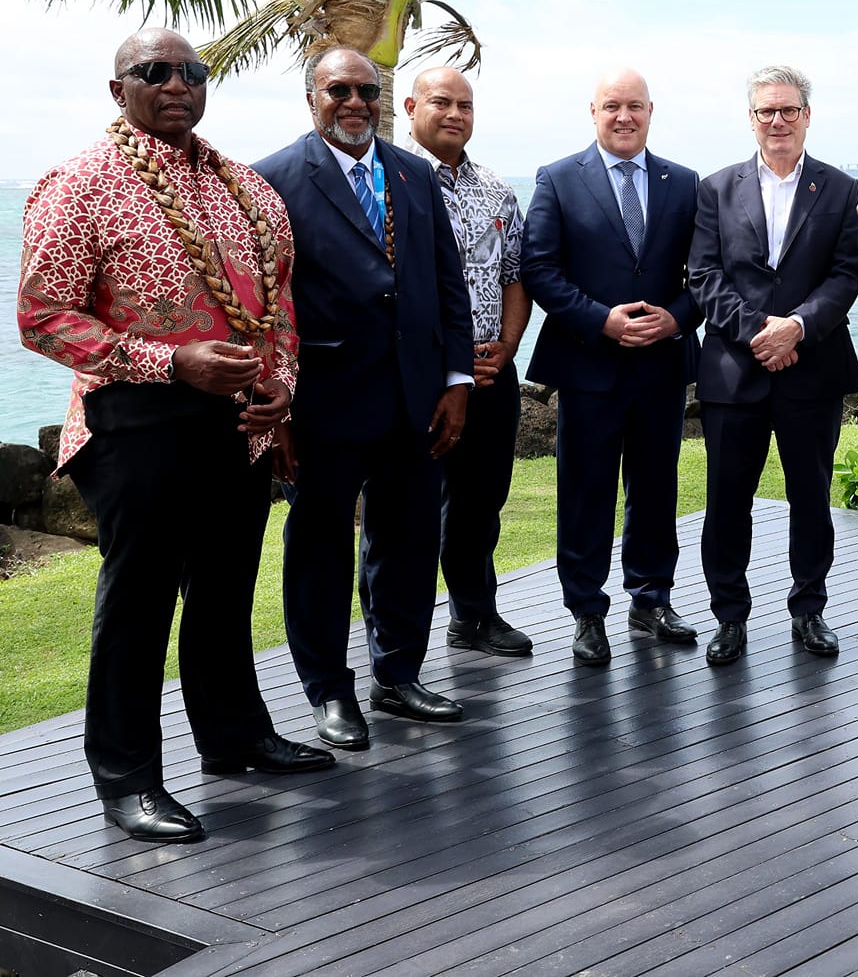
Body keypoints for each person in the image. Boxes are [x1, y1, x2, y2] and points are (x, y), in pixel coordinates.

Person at [18, 29, 332, 842]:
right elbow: (42, 317)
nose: (176, 85)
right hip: (136, 419)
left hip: (239, 423)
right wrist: (169, 361)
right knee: (140, 602)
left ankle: (234, 738)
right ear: (116, 87)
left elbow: (282, 309)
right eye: (153, 72)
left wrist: (281, 391)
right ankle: (126, 778)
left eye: (192, 72)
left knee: (226, 590)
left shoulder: (250, 192)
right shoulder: (79, 185)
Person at [255, 47, 474, 750]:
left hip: (415, 396)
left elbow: (447, 283)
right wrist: (278, 408)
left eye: (367, 91)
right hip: (324, 403)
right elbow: (265, 304)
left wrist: (457, 382)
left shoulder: (410, 171)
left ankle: (398, 673)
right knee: (318, 547)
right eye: (338, 90)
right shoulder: (274, 179)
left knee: (410, 538)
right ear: (311, 97)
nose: (355, 102)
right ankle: (327, 690)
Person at [522, 69, 701, 667]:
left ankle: (651, 599)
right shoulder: (557, 179)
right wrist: (603, 320)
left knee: (655, 488)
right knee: (585, 491)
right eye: (611, 107)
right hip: (588, 364)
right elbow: (540, 269)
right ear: (592, 111)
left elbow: (704, 273)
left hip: (661, 365)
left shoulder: (684, 183)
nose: (623, 117)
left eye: (634, 107)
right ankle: (586, 611)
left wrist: (675, 320)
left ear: (652, 111)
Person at [689, 66, 858, 666]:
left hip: (811, 370)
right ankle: (729, 617)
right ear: (751, 118)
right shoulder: (714, 188)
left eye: (789, 110)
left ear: (807, 115)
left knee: (810, 498)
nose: (778, 121)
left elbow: (847, 274)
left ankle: (809, 610)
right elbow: (704, 276)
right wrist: (761, 332)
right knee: (727, 500)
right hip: (734, 374)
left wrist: (799, 327)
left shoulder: (840, 190)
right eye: (767, 111)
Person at [401, 67, 534, 658]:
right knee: (405, 510)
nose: (455, 114)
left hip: (490, 373)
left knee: (482, 502)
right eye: (441, 102)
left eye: (465, 104)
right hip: (420, 376)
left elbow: (515, 276)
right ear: (410, 107)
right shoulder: (388, 179)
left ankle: (474, 615)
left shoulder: (496, 188)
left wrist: (506, 346)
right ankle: (392, 636)